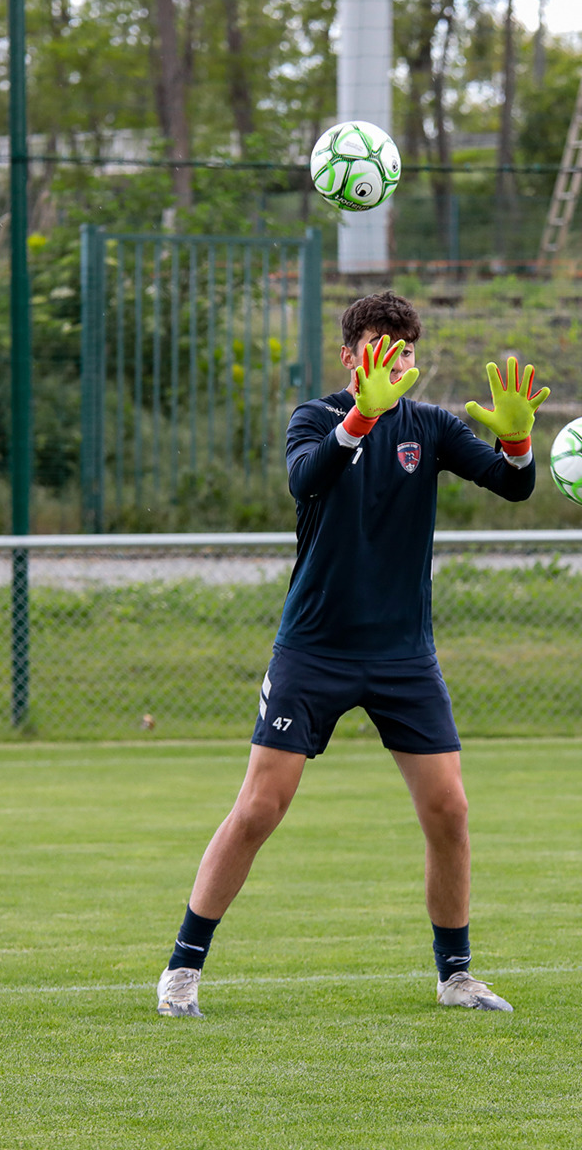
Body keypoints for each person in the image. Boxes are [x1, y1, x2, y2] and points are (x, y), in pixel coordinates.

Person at [156, 290, 550, 1018]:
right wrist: (360, 417)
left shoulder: (430, 427)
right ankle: (183, 967)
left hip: (403, 653)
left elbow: (512, 485)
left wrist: (520, 443)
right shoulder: (314, 418)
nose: (392, 363)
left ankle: (456, 974)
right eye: (378, 350)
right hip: (316, 648)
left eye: (403, 353)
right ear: (349, 355)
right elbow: (306, 479)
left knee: (450, 809)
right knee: (259, 809)